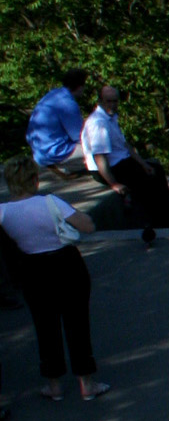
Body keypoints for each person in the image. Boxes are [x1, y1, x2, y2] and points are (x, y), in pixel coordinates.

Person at [0, 158, 107, 403]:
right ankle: (86, 382)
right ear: (35, 180)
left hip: (32, 269)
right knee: (76, 323)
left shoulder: (4, 212)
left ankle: (53, 384)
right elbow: (87, 226)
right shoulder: (50, 202)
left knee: (44, 326)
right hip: (66, 264)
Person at [80, 83, 169, 244]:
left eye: (115, 101)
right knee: (147, 184)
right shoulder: (98, 124)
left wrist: (143, 163)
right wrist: (114, 184)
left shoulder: (110, 118)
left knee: (155, 169)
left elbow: (125, 146)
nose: (113, 105)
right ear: (100, 101)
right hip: (107, 169)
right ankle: (165, 223)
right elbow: (99, 158)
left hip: (120, 161)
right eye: (109, 101)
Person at [26, 72, 88, 174]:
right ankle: (64, 166)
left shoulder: (54, 94)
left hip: (39, 152)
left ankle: (63, 167)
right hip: (54, 152)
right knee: (101, 149)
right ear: (79, 86)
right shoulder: (68, 104)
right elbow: (80, 136)